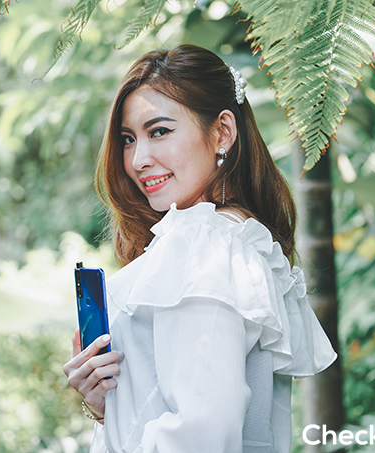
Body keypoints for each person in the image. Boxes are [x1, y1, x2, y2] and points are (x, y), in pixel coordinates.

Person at [63, 44, 337, 453]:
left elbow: (203, 433)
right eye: (128, 139)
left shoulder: (205, 243)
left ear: (222, 132)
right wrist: (106, 406)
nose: (137, 159)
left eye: (159, 131)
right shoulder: (237, 239)